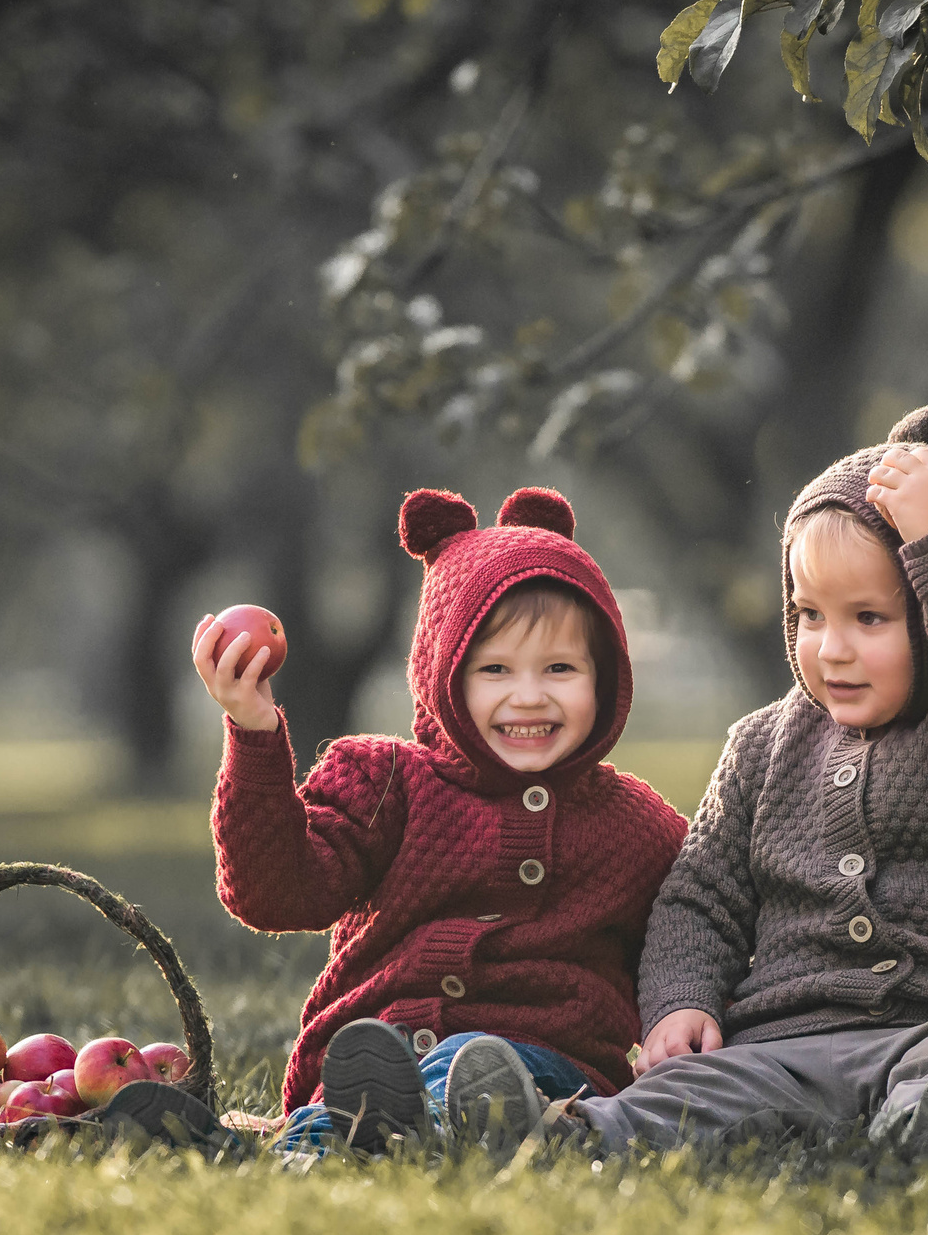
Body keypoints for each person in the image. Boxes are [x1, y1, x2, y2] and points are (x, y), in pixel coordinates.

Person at [565, 404, 928, 1153]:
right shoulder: (761, 746)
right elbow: (698, 899)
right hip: (782, 1042)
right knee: (685, 1092)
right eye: (809, 615)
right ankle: (569, 1131)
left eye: (869, 618)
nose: (830, 649)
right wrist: (680, 1002)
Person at [195, 484, 685, 1155]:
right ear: (440, 672)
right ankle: (321, 1139)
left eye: (561, 668)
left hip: (548, 1068)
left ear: (606, 677)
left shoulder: (638, 827)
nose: (529, 695)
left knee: (474, 1070)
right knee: (372, 1086)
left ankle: (319, 1146)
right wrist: (253, 733)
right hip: (372, 1054)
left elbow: (695, 936)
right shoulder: (385, 782)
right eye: (494, 669)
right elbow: (274, 892)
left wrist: (688, 1022)